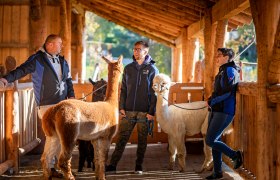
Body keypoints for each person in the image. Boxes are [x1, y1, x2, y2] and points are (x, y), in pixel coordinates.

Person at [0, 34, 75, 178]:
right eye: (59, 43)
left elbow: (68, 81)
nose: (62, 46)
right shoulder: (37, 59)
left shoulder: (62, 61)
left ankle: (51, 168)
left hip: (62, 104)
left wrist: (71, 95)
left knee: (59, 137)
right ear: (50, 45)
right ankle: (47, 165)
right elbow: (21, 70)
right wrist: (5, 79)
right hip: (46, 105)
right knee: (54, 136)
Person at [106, 40, 159, 174]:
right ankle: (112, 165)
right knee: (121, 139)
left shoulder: (152, 69)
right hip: (128, 110)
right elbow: (123, 89)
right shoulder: (128, 68)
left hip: (144, 112)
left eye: (139, 49)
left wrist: (151, 112)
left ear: (146, 51)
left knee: (142, 140)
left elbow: (155, 93)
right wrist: (121, 107)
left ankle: (138, 166)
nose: (135, 51)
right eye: (134, 49)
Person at [205, 48, 242, 179]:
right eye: (216, 55)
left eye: (219, 55)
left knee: (210, 140)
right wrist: (211, 100)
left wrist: (213, 101)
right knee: (216, 139)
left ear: (227, 57)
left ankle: (234, 155)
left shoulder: (230, 70)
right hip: (216, 109)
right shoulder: (222, 70)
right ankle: (217, 172)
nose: (217, 58)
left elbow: (228, 92)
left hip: (225, 110)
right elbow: (219, 90)